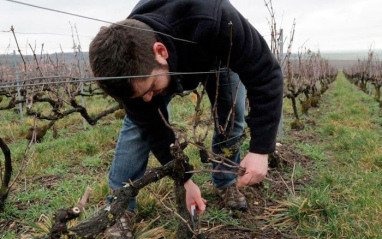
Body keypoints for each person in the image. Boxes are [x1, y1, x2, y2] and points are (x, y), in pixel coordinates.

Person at [89, 0, 282, 237]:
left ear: (160, 52)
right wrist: (186, 181)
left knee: (231, 117)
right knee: (137, 125)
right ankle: (119, 208)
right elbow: (154, 128)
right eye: (141, 94)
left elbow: (265, 73)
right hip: (169, 55)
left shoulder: (216, 17)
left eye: (150, 87)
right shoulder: (127, 60)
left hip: (219, 55)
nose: (149, 98)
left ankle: (226, 182)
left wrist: (261, 150)